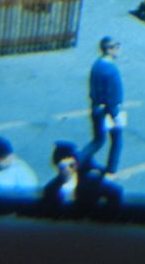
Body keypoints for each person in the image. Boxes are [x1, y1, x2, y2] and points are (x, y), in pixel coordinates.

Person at [42, 141, 122, 217]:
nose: (67, 169)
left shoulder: (91, 183)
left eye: (71, 165)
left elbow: (115, 192)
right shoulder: (51, 189)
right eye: (62, 167)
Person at [84, 36, 124, 174]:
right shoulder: (111, 70)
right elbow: (112, 96)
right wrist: (115, 115)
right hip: (108, 111)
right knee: (117, 139)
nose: (119, 49)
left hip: (96, 107)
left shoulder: (97, 65)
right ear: (109, 49)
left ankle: (81, 160)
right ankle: (111, 170)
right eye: (116, 46)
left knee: (98, 140)